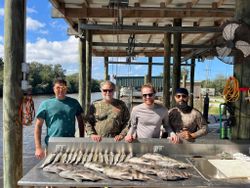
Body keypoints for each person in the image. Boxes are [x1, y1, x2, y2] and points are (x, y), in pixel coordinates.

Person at [34, 78, 84, 159]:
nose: (61, 90)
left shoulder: (74, 103)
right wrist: (38, 148)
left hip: (71, 143)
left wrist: (81, 141)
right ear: (53, 89)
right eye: (58, 88)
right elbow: (38, 126)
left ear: (66, 89)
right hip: (52, 144)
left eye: (63, 88)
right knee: (50, 170)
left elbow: (81, 122)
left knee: (70, 168)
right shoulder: (45, 104)